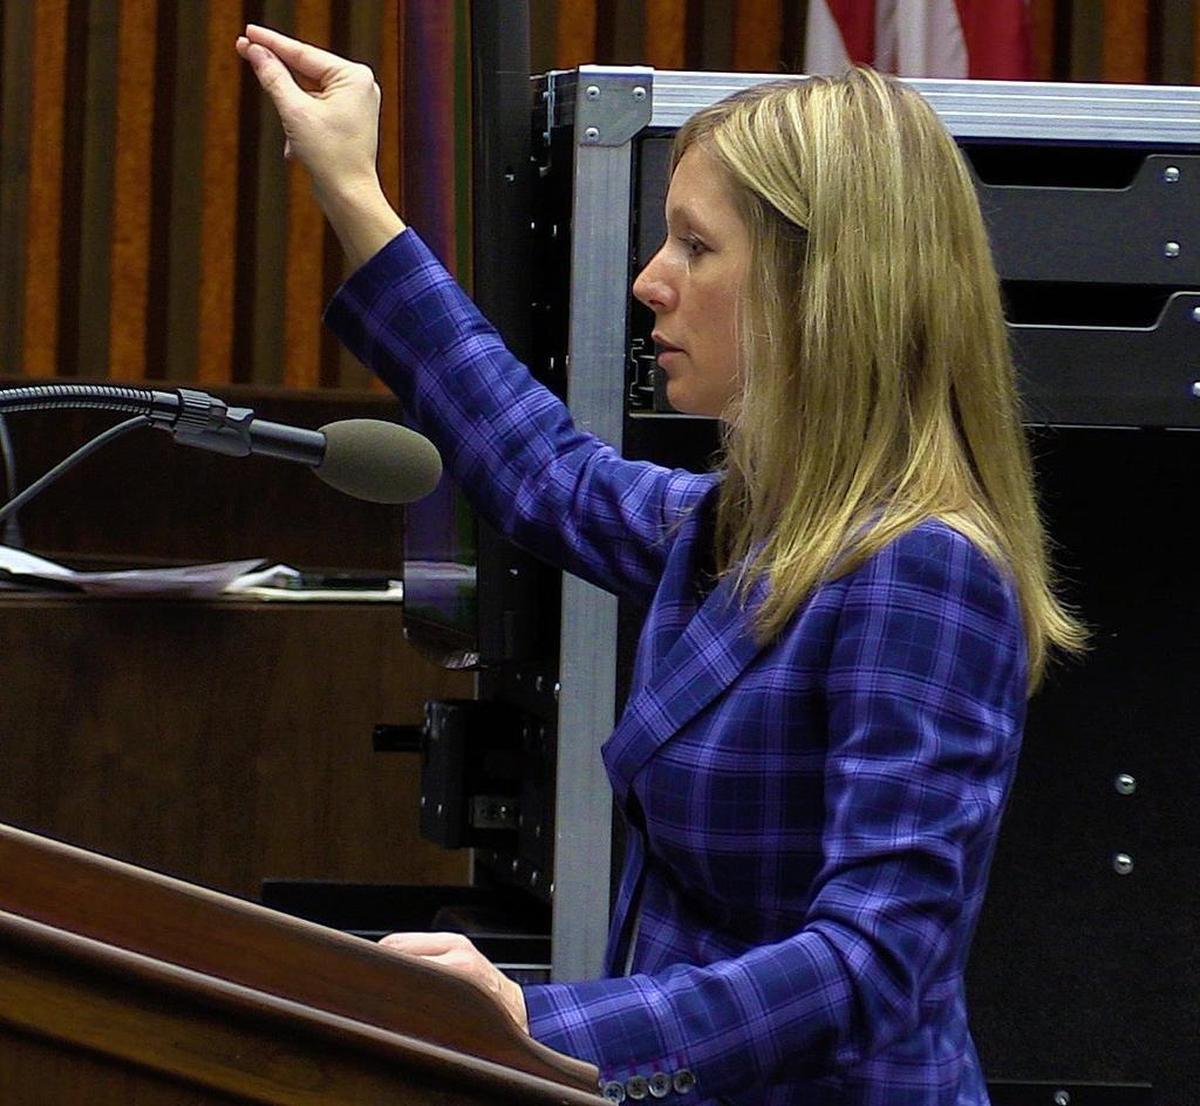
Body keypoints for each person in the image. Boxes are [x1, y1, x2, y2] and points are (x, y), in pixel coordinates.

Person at [237, 25, 1086, 1106]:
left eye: (694, 245)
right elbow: (541, 470)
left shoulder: (919, 570)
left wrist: (534, 1021)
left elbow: (874, 964)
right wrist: (354, 190)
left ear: (814, 283)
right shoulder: (747, 530)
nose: (649, 281)